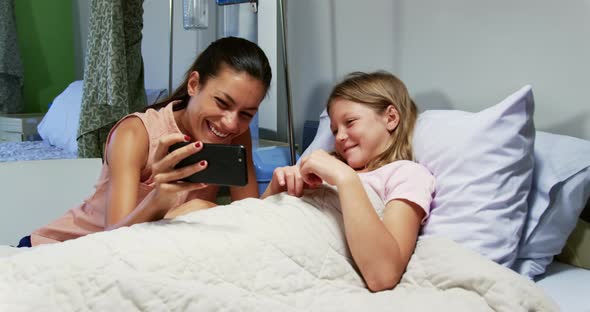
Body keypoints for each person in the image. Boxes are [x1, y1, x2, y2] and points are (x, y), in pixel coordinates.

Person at [18, 36, 272, 247]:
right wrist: (163, 200)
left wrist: (279, 190)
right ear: (194, 84)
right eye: (222, 103)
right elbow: (113, 239)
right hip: (59, 247)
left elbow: (247, 216)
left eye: (246, 113)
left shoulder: (236, 134)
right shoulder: (135, 133)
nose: (230, 123)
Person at [261, 71, 435, 292]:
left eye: (350, 122)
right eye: (334, 130)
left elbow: (384, 275)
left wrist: (345, 178)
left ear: (391, 118)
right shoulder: (324, 167)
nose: (340, 136)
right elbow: (260, 219)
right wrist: (275, 189)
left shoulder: (407, 174)